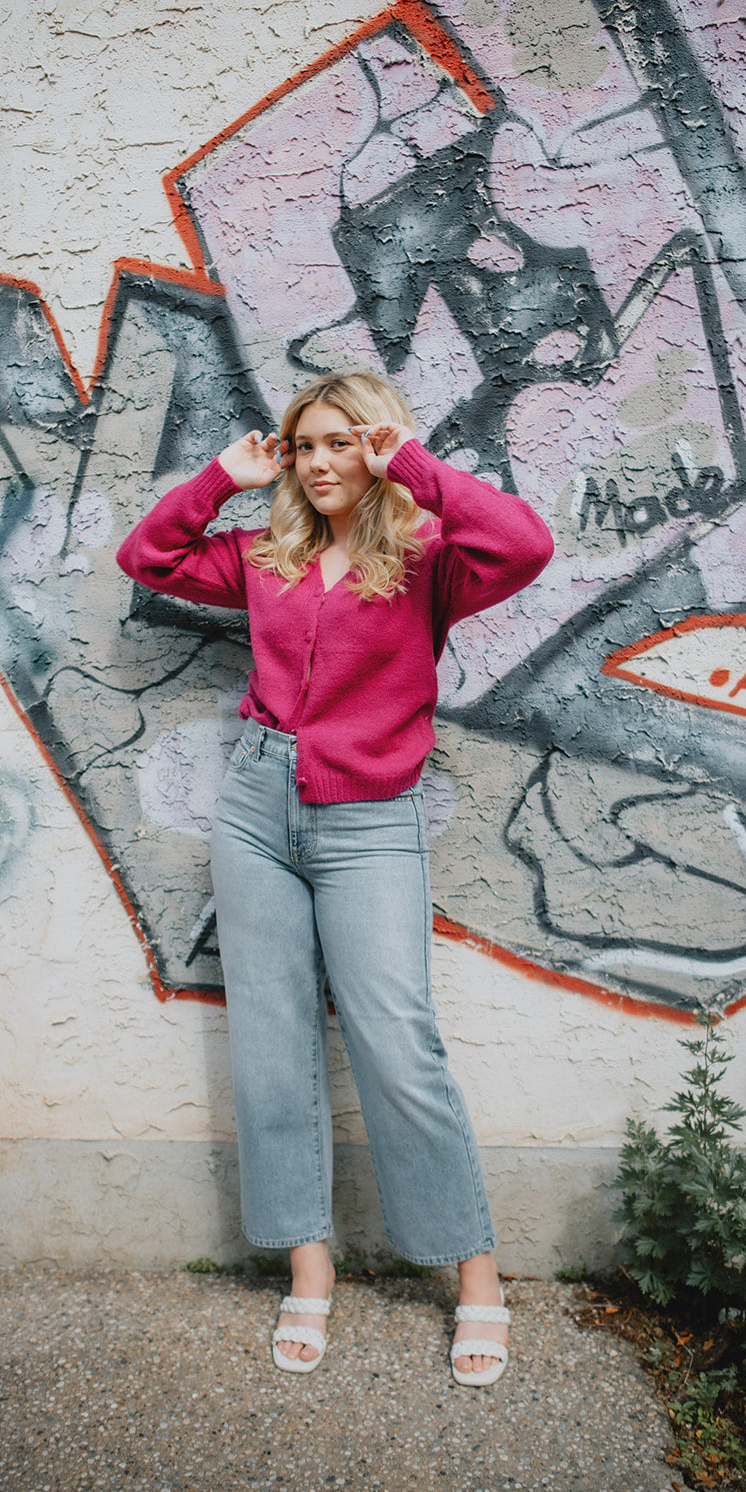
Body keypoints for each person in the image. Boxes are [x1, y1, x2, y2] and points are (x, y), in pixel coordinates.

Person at [117, 371, 553, 1384]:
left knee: (398, 1042)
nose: (317, 463)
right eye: (304, 445)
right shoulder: (263, 556)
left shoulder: (432, 558)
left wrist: (416, 470)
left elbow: (525, 545)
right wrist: (219, 479)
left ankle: (476, 1281)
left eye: (340, 443)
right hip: (255, 808)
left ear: (378, 447)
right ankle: (308, 1271)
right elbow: (149, 557)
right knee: (271, 1042)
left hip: (370, 819)